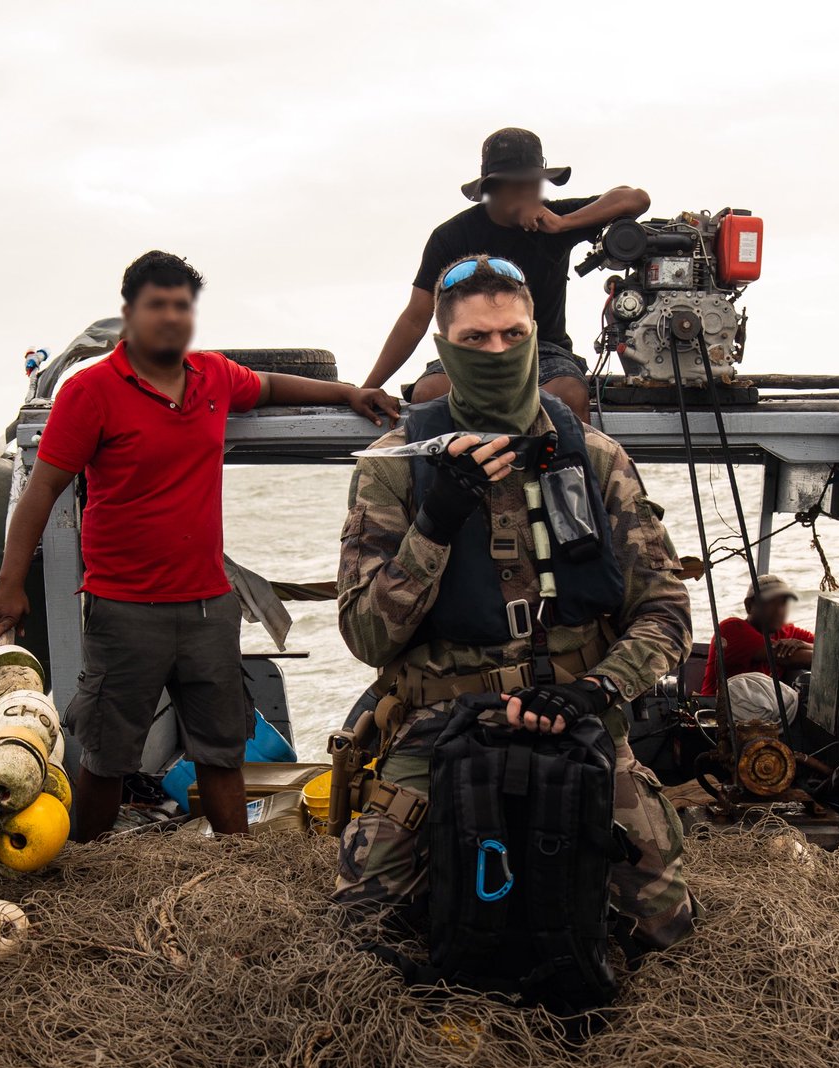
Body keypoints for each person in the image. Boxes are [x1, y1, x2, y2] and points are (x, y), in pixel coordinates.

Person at [336, 254, 696, 954]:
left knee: (666, 929)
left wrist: (598, 690)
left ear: (533, 335)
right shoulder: (394, 469)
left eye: (511, 335)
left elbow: (667, 611)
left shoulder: (595, 458)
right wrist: (435, 523)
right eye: (476, 339)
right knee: (362, 933)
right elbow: (366, 636)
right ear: (444, 348)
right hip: (441, 719)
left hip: (577, 707)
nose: (496, 351)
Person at [0, 250, 399, 841]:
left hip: (209, 607)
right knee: (107, 755)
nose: (171, 318)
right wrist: (9, 588)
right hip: (124, 610)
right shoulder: (91, 391)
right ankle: (89, 873)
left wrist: (350, 394)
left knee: (222, 750)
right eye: (158, 304)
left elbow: (272, 385)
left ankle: (237, 868)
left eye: (182, 305)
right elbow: (42, 490)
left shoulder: (212, 375)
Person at [362, 127, 650, 422]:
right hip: (469, 348)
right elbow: (415, 317)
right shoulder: (451, 236)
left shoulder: (556, 220)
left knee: (569, 393)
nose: (525, 192)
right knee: (430, 392)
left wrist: (564, 224)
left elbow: (635, 198)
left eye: (532, 183)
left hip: (544, 350)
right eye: (512, 184)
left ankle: (571, 468)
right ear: (490, 188)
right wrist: (368, 388)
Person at [700, 575, 814, 695]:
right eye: (771, 603)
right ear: (749, 605)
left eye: (783, 603)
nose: (779, 610)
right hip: (718, 709)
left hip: (761, 708)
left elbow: (829, 648)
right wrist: (809, 650)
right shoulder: (732, 629)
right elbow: (789, 658)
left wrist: (804, 644)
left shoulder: (787, 632)